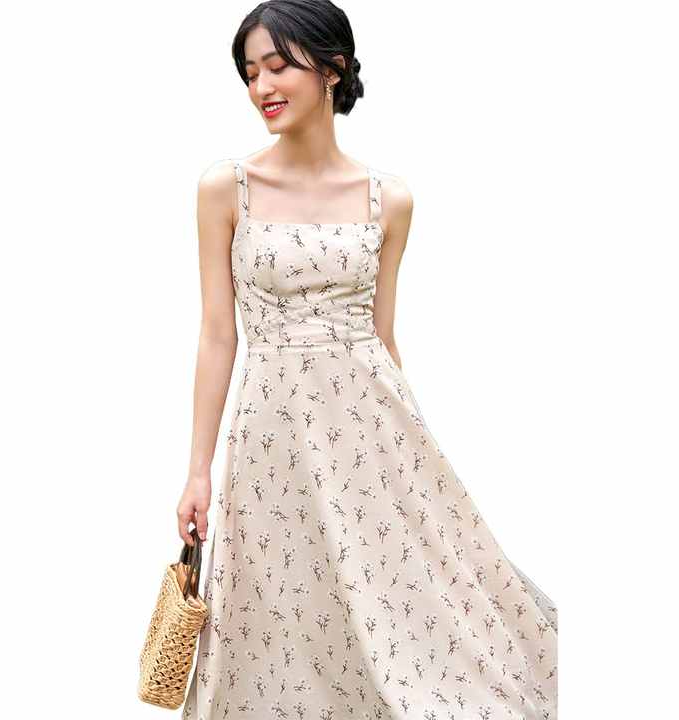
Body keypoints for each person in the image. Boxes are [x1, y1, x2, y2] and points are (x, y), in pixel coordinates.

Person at [177, 2, 558, 718]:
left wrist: (417, 454)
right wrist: (197, 471)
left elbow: (382, 336)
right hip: (270, 431)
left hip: (369, 426)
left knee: (399, 585)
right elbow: (217, 334)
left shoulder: (391, 200)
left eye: (278, 65)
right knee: (284, 590)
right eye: (250, 72)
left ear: (333, 69)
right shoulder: (226, 188)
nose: (262, 86)